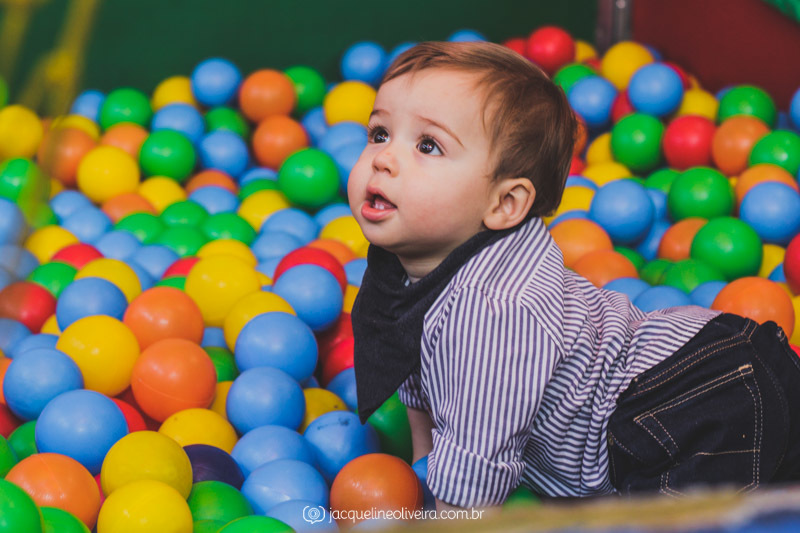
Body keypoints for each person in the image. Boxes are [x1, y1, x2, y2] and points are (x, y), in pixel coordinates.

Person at [347, 40, 800, 510]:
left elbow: (476, 466)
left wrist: (446, 509)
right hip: (701, 377)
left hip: (696, 407)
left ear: (505, 204)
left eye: (428, 145)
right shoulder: (407, 260)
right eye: (379, 133)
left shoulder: (492, 313)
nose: (383, 158)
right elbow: (412, 361)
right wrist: (423, 469)